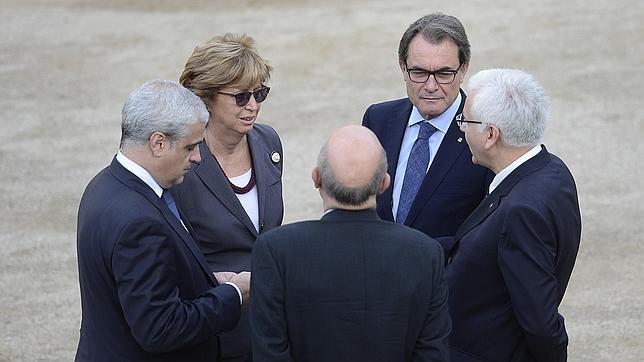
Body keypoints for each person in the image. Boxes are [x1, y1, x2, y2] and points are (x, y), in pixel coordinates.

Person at [75, 80, 250, 361]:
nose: (197, 158)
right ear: (158, 143)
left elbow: (136, 285)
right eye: (190, 147)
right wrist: (234, 294)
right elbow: (161, 329)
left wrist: (203, 281)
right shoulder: (139, 223)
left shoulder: (104, 185)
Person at [250, 125, 451, 361]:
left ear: (316, 178)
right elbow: (432, 354)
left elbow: (269, 353)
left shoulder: (276, 250)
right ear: (384, 184)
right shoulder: (425, 253)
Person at [443, 69, 582, 361]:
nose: (461, 129)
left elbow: (541, 325)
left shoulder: (522, 212)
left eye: (465, 121)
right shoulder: (551, 169)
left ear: (491, 135)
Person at [173, 33, 283, 361]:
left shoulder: (268, 143)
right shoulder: (181, 161)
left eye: (260, 93)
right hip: (212, 328)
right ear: (206, 98)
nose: (253, 105)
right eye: (240, 97)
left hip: (267, 323)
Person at [362, 12, 491, 238]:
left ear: (463, 70)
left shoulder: (484, 132)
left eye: (443, 73)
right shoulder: (378, 120)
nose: (431, 86)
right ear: (403, 68)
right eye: (419, 72)